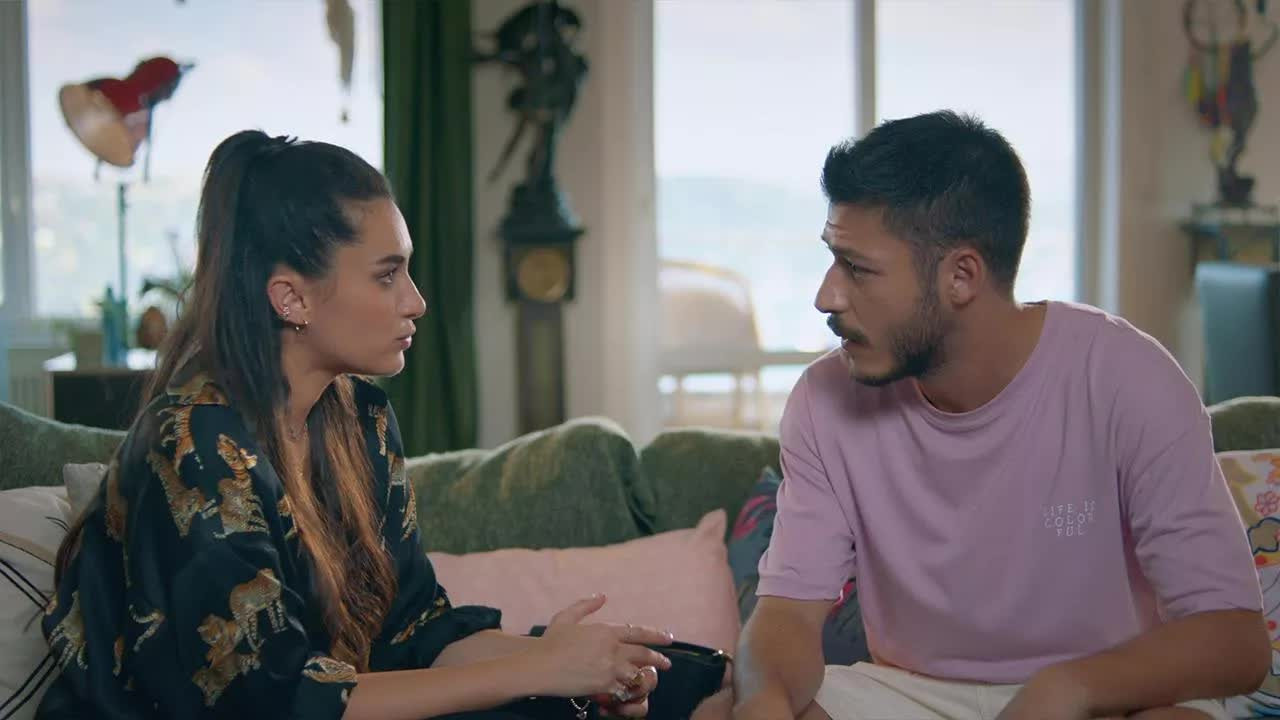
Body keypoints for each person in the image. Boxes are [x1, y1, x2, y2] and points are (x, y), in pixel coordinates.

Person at [38, 130, 671, 720]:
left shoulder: (363, 420)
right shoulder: (193, 445)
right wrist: (537, 670)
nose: (416, 301)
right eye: (387, 275)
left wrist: (571, 666)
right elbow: (277, 701)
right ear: (292, 297)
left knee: (659, 680)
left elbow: (417, 632)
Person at [730, 111, 1269, 720]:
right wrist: (763, 701)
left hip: (1102, 689)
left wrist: (1066, 689)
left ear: (961, 276)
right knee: (740, 707)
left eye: (857, 268)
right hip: (913, 692)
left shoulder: (1130, 378)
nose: (826, 295)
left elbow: (1235, 640)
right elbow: (787, 613)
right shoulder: (823, 399)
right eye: (834, 259)